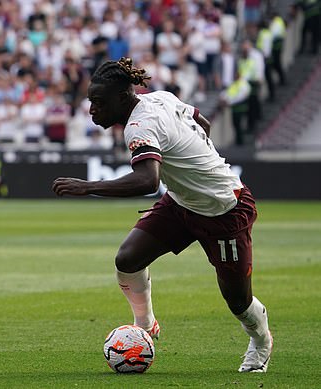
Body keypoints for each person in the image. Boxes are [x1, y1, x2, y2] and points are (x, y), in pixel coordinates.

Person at [52, 57, 272, 373]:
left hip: (224, 209)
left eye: (99, 103)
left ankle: (261, 342)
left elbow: (147, 180)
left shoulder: (139, 125)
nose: (92, 110)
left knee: (238, 301)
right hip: (182, 202)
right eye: (91, 103)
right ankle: (145, 325)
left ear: (121, 98)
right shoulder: (160, 97)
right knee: (128, 259)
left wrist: (87, 187)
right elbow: (201, 119)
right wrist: (195, 163)